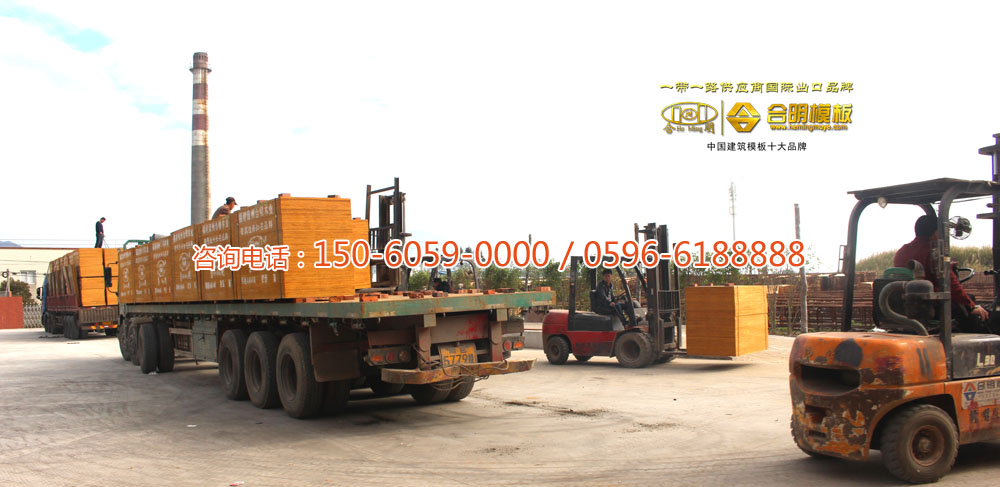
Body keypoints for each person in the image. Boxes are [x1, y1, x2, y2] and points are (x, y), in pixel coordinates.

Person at [894, 214, 992, 332]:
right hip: (928, 305)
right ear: (936, 232)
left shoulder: (902, 251)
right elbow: (950, 284)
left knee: (966, 300)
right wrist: (971, 306)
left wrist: (948, 267)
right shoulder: (933, 252)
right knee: (974, 311)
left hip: (906, 303)